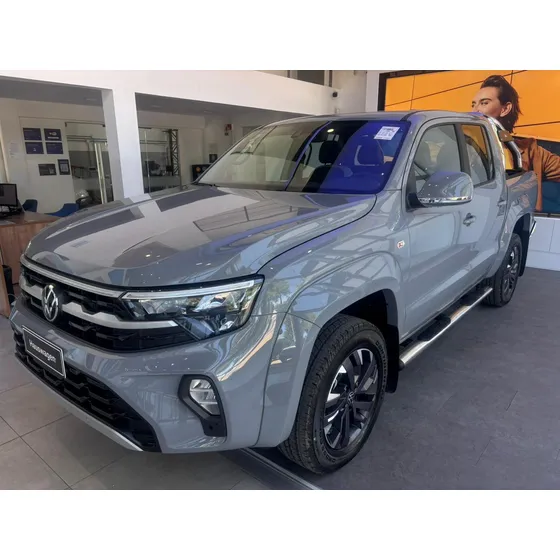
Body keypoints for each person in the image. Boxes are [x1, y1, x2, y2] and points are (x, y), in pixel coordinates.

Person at [471, 74, 560, 212]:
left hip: (518, 219)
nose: (475, 110)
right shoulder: (463, 145)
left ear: (505, 109)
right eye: (473, 104)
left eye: (484, 103)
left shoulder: (531, 150)